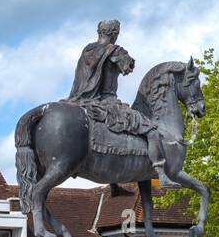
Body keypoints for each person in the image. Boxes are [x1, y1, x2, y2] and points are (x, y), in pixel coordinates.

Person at [68, 19, 167, 173]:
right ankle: (161, 174)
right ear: (115, 34)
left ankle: (115, 185)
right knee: (151, 130)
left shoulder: (87, 50)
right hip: (107, 102)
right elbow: (128, 67)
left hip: (79, 101)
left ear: (99, 32)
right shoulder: (115, 51)